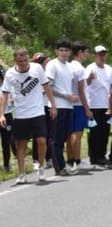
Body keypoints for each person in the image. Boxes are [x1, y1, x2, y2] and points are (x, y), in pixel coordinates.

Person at [0, 49, 57, 183]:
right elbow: (5, 94)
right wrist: (1, 114)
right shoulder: (10, 74)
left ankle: (41, 167)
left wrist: (53, 105)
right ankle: (21, 174)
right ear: (15, 60)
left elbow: (47, 87)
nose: (23, 63)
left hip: (37, 111)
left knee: (42, 140)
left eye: (25, 60)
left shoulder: (37, 69)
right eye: (20, 61)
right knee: (21, 144)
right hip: (21, 113)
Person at [45, 39, 77, 175]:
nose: (64, 53)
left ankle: (62, 164)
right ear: (56, 51)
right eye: (61, 50)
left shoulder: (70, 67)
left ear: (70, 52)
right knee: (56, 138)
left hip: (68, 106)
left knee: (64, 136)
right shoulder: (52, 65)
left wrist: (71, 98)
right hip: (57, 105)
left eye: (66, 50)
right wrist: (66, 96)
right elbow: (49, 86)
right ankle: (59, 166)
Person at [85, 45, 112, 167]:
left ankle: (102, 155)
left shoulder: (109, 69)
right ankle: (94, 156)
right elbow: (84, 84)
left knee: (105, 131)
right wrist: (90, 79)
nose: (102, 57)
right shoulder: (90, 68)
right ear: (95, 56)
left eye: (103, 54)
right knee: (94, 131)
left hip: (106, 104)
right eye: (99, 54)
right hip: (94, 104)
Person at [68, 41, 93, 170]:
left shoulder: (68, 66)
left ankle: (71, 160)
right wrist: (87, 109)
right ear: (80, 52)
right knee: (77, 133)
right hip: (78, 105)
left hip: (69, 104)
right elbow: (81, 90)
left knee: (71, 132)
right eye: (86, 52)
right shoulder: (80, 69)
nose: (87, 54)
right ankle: (77, 161)